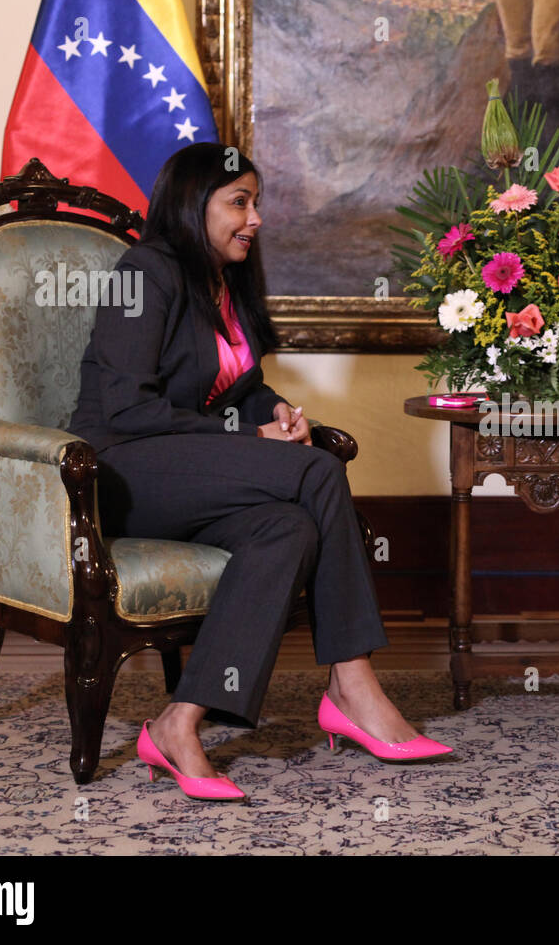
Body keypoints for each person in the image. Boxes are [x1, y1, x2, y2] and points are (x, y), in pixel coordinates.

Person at [68, 143, 451, 800]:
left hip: (190, 467)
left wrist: (274, 410)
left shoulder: (225, 282)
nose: (256, 218)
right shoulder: (145, 270)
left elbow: (237, 385)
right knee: (317, 473)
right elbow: (129, 408)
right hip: (123, 471)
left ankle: (178, 723)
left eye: (257, 202)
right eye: (239, 202)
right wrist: (251, 437)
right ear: (194, 205)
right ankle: (351, 685)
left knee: (287, 530)